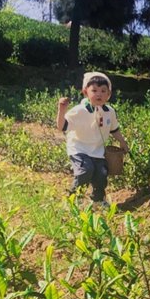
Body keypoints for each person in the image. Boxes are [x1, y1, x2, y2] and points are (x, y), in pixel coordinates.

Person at [57, 71, 129, 208]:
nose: (99, 94)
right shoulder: (79, 111)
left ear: (109, 95)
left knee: (101, 174)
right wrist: (62, 109)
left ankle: (98, 200)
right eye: (94, 90)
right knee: (85, 170)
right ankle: (73, 199)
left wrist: (122, 142)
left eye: (103, 91)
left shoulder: (109, 112)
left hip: (97, 150)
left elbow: (114, 130)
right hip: (78, 148)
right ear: (85, 92)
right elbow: (61, 127)